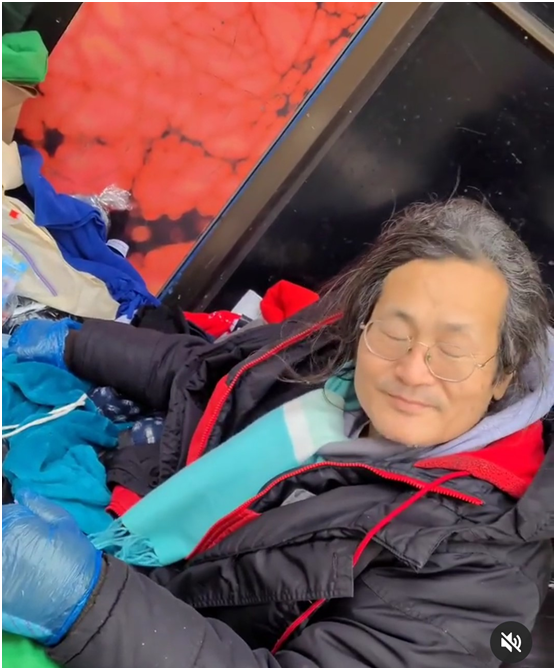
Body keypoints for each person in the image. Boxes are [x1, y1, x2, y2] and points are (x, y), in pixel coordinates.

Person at [2, 198, 553, 668]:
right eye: (395, 331)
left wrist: (86, 605)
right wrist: (75, 342)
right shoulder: (332, 353)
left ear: (504, 375)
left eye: (453, 352)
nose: (412, 370)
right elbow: (207, 374)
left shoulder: (481, 571)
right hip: (139, 522)